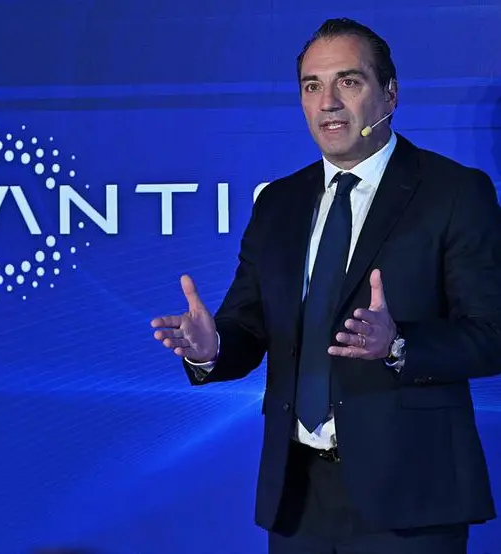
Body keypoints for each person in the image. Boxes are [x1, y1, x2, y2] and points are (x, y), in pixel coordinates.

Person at [151, 17, 501, 554]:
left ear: (390, 93)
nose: (328, 103)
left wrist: (398, 344)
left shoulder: (454, 192)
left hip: (410, 496)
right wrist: (211, 347)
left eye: (348, 81)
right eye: (312, 86)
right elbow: (250, 325)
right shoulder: (279, 202)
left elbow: (491, 333)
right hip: (298, 498)